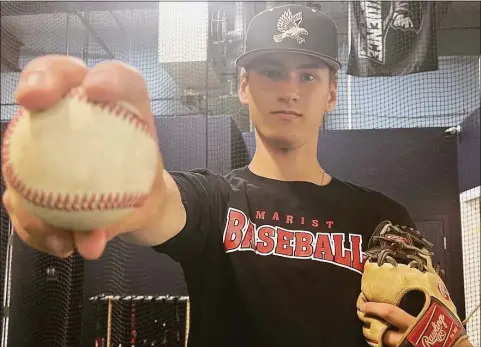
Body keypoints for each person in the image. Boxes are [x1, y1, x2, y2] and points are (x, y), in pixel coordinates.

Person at [3, 4, 431, 347]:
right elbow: (156, 201)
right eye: (271, 71)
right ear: (244, 86)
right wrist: (117, 178)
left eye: (308, 75)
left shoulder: (381, 217)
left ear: (331, 93)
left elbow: (425, 322)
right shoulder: (215, 199)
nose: (289, 90)